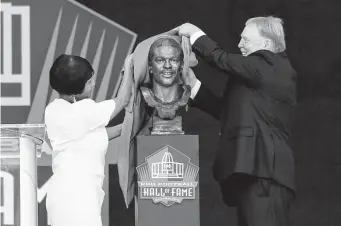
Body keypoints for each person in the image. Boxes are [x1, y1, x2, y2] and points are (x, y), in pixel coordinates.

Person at [173, 16, 297, 226]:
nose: (240, 44)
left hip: (265, 173)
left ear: (266, 45)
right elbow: (228, 114)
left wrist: (194, 33)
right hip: (255, 174)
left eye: (246, 40)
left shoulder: (271, 65)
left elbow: (220, 58)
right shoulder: (258, 77)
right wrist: (194, 85)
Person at [44, 54, 133, 226]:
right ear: (76, 87)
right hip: (78, 198)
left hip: (69, 196)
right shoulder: (84, 111)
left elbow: (97, 136)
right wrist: (129, 67)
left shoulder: (53, 110)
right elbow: (122, 100)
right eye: (89, 81)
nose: (94, 84)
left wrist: (131, 125)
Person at [114, 33, 197, 207]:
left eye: (173, 60)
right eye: (160, 60)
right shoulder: (144, 95)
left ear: (181, 65)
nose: (167, 66)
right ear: (150, 67)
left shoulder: (186, 94)